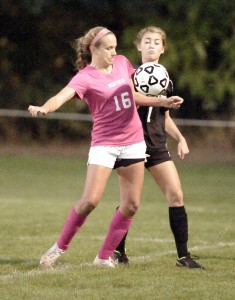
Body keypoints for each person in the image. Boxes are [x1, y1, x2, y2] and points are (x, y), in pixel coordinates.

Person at [28, 26, 183, 268]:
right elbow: (61, 96)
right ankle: (59, 247)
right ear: (94, 49)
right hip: (105, 144)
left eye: (115, 47)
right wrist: (45, 108)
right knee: (90, 200)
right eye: (109, 48)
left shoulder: (122, 63)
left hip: (133, 142)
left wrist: (162, 101)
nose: (114, 52)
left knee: (131, 205)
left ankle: (103, 256)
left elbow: (134, 95)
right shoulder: (85, 77)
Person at [112, 26, 204, 269]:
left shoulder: (164, 78)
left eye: (156, 42)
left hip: (156, 146)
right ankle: (117, 252)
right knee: (129, 203)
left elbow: (164, 116)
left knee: (176, 195)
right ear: (138, 46)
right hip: (130, 144)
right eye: (147, 41)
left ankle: (183, 257)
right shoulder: (127, 76)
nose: (152, 45)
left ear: (163, 49)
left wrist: (180, 138)